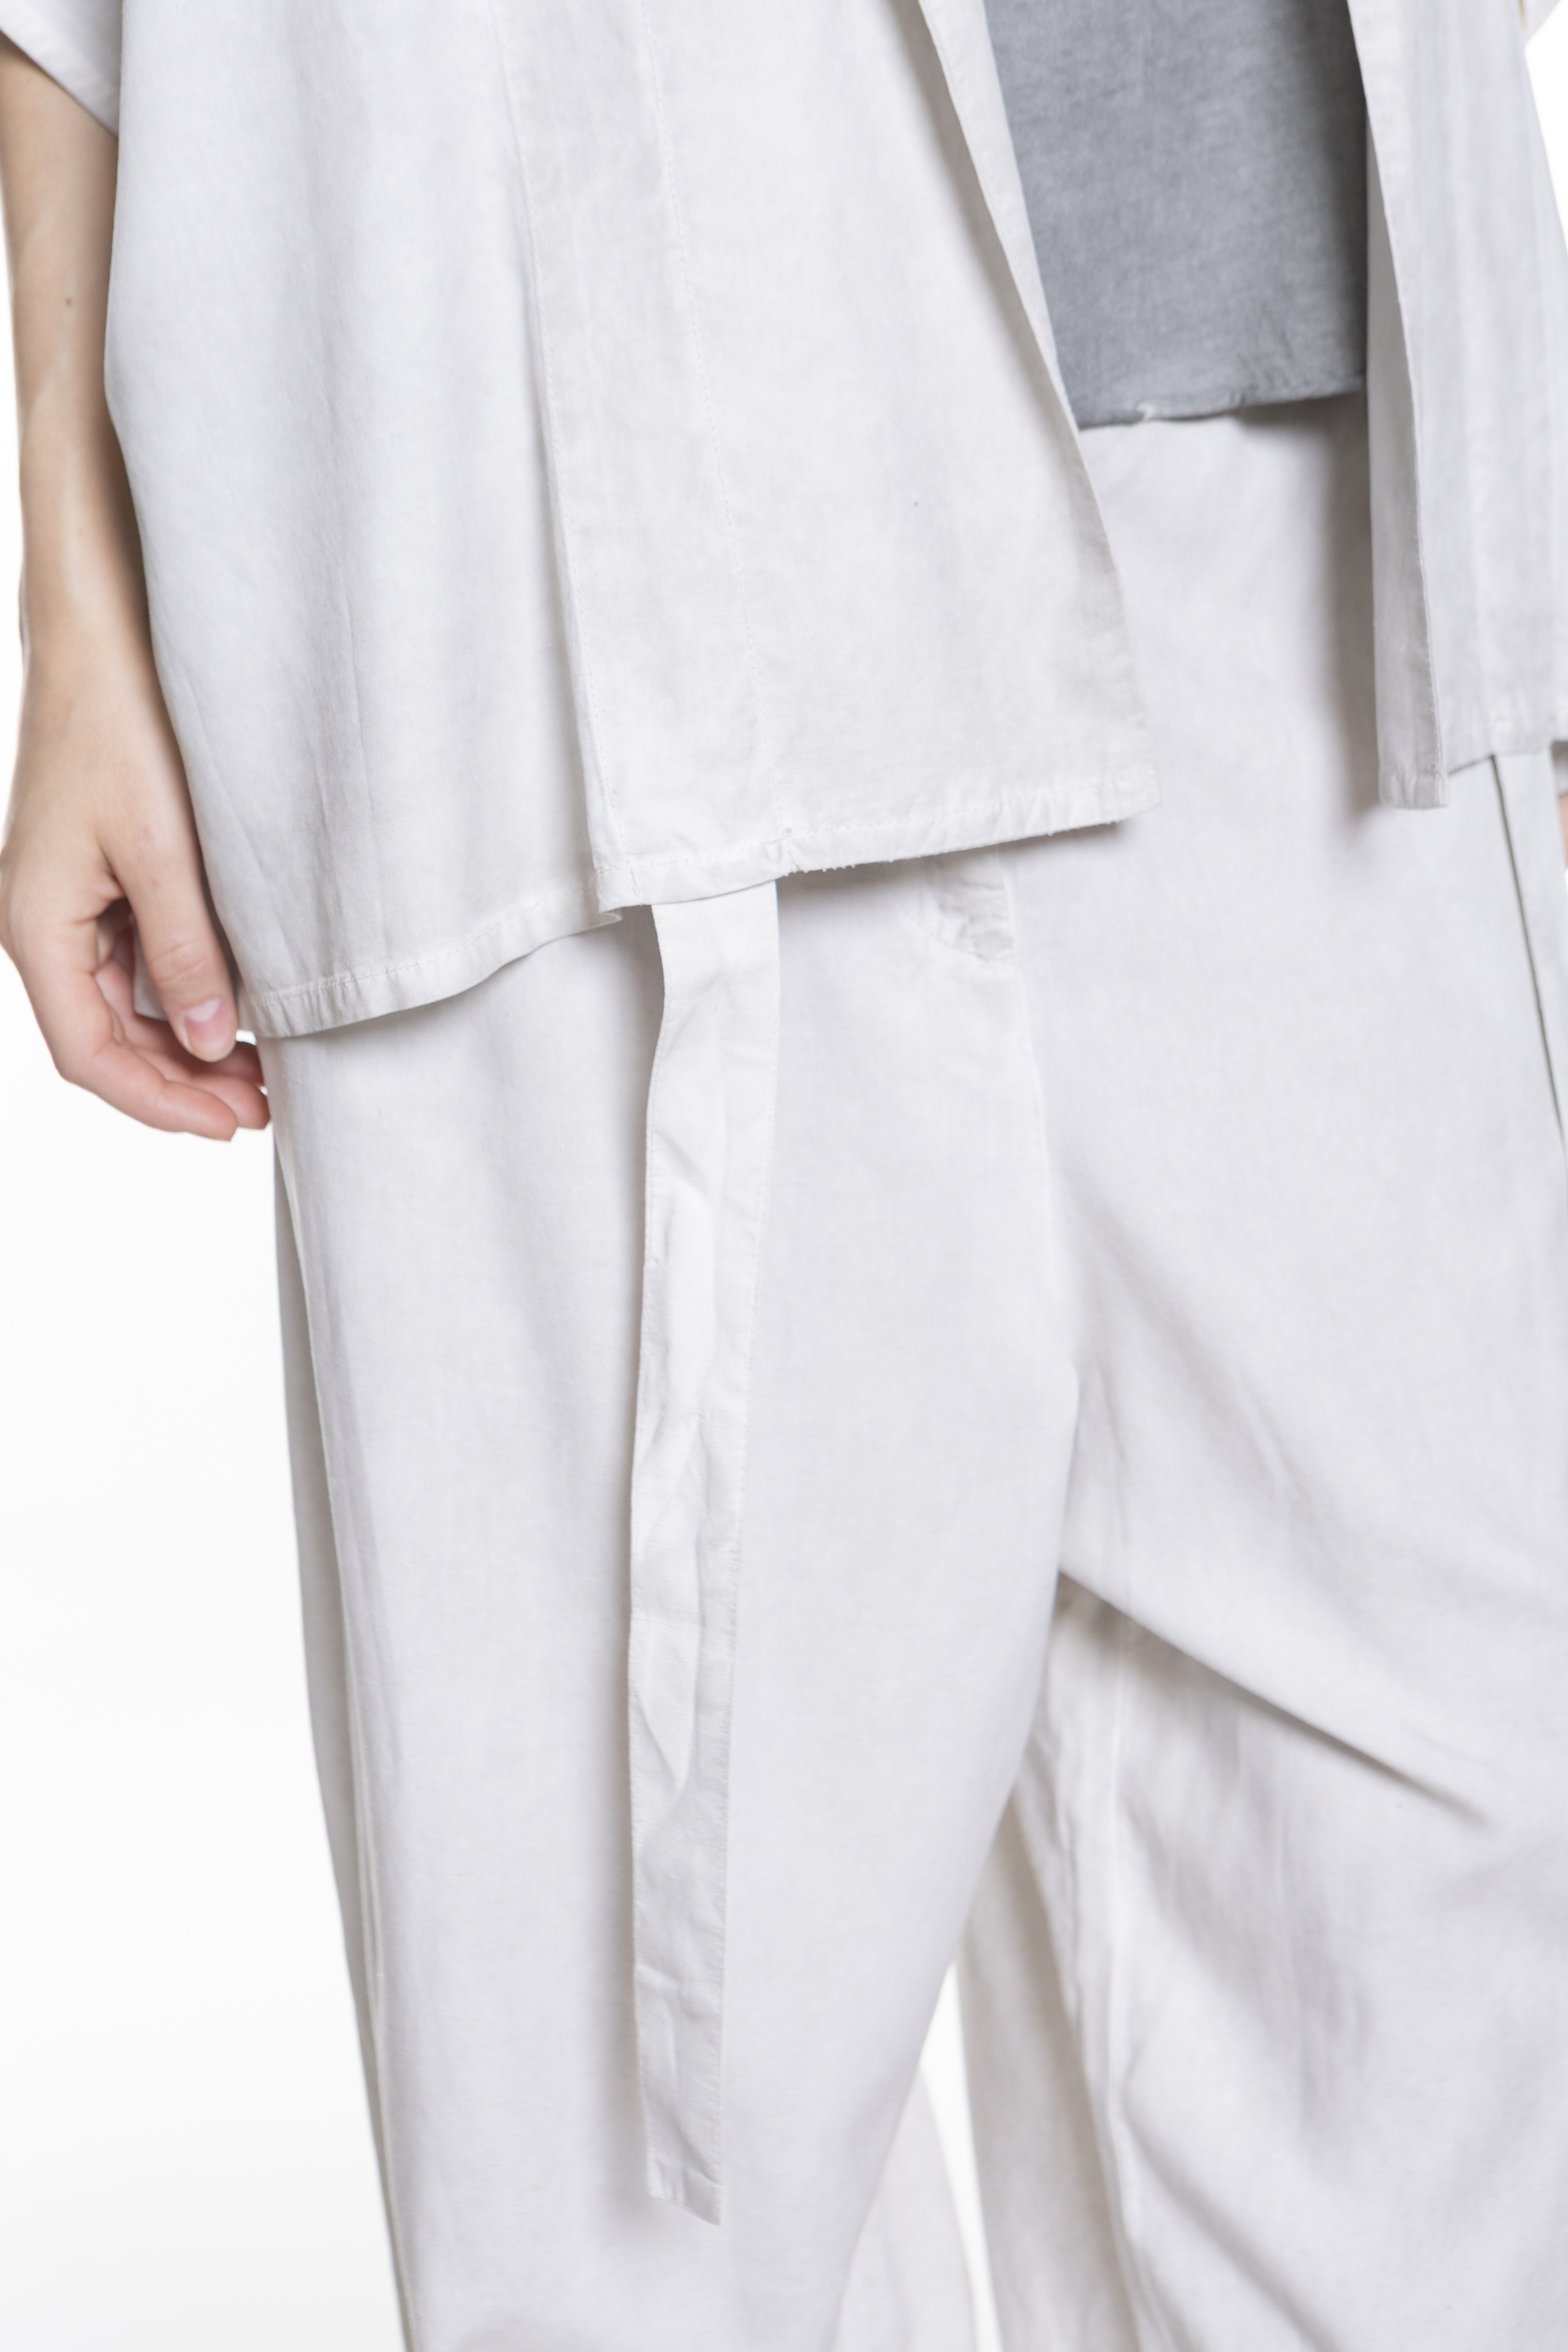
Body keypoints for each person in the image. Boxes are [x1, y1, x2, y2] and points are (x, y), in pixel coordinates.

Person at [2, 1, 1568, 2345]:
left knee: (1440, 2076)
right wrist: (77, 569)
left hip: (1333, 507)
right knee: (632, 2190)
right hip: (562, 557)